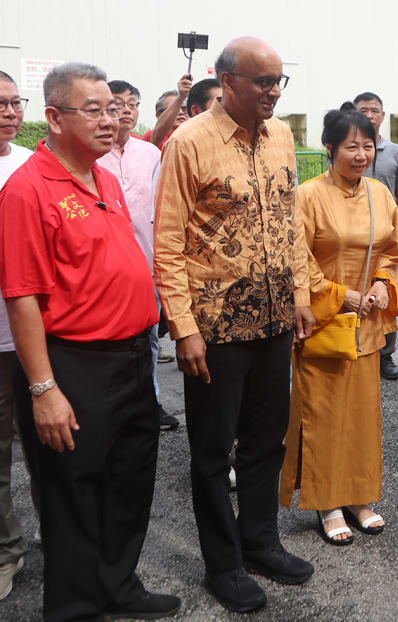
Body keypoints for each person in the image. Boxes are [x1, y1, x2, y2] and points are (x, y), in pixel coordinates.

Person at [0, 62, 180, 621]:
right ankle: (76, 607)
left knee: (129, 482)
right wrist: (43, 387)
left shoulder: (102, 175)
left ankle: (118, 584)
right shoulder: (29, 189)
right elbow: (22, 296)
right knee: (73, 495)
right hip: (76, 363)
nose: (113, 120)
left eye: (116, 108)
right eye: (95, 110)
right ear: (53, 118)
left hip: (132, 356)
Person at [154, 37, 314, 614]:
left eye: (279, 82)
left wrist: (298, 291)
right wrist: (183, 326)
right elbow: (168, 241)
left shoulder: (282, 136)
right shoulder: (188, 142)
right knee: (211, 450)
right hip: (214, 328)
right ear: (227, 80)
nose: (274, 92)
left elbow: (290, 218)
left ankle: (260, 541)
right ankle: (222, 565)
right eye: (263, 82)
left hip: (273, 318)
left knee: (266, 441)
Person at [280, 102, 398, 546]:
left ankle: (360, 497)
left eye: (367, 145)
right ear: (329, 147)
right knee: (323, 415)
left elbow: (391, 249)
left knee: (363, 417)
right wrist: (341, 294)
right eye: (351, 146)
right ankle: (327, 503)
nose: (360, 154)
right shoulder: (308, 196)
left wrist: (383, 283)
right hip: (323, 322)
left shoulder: (379, 193)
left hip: (366, 323)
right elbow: (297, 260)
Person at [97, 80, 180, 432]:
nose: (126, 110)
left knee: (147, 340)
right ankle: (104, 408)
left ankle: (149, 401)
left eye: (133, 103)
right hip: (102, 272)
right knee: (104, 345)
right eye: (118, 104)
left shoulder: (152, 155)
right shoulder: (93, 155)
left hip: (146, 267)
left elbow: (164, 210)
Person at [0, 69, 31, 603]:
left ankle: (69, 540)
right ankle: (7, 549)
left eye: (13, 101)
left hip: (38, 334)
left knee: (58, 446)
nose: (8, 111)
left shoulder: (31, 167)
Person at [355, 91, 398, 381]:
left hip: (384, 238)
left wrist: (387, 219)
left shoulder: (397, 152)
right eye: (363, 110)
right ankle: (355, 346)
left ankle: (386, 355)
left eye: (375, 110)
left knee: (386, 294)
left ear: (383, 115)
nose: (369, 115)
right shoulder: (346, 148)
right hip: (351, 234)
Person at [142, 74, 191, 148]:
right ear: (159, 115)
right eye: (175, 108)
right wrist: (180, 98)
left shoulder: (195, 136)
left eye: (184, 109)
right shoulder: (151, 136)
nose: (181, 112)